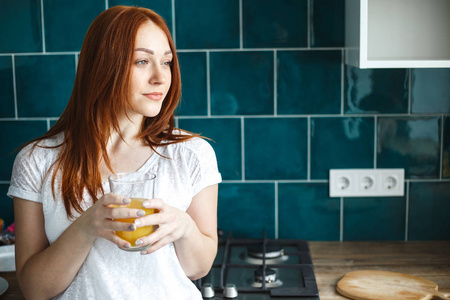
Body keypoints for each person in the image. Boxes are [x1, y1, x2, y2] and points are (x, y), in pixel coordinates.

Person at [7, 6, 221, 299]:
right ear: (103, 66)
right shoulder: (37, 161)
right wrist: (86, 227)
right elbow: (33, 289)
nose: (161, 77)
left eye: (167, 62)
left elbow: (198, 268)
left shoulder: (192, 154)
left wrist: (184, 228)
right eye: (143, 61)